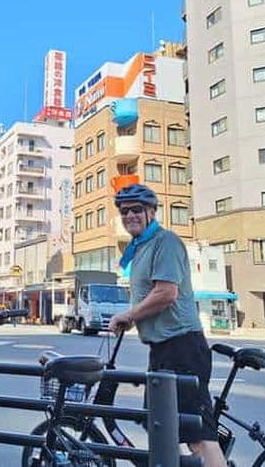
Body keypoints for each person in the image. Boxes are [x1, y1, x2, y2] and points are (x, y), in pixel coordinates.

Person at [108, 184, 226, 467]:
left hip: (182, 347)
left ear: (151, 211)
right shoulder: (141, 248)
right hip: (163, 349)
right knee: (162, 427)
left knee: (196, 435)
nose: (130, 216)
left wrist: (130, 315)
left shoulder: (165, 241)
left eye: (137, 209)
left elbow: (166, 293)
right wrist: (134, 316)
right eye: (125, 211)